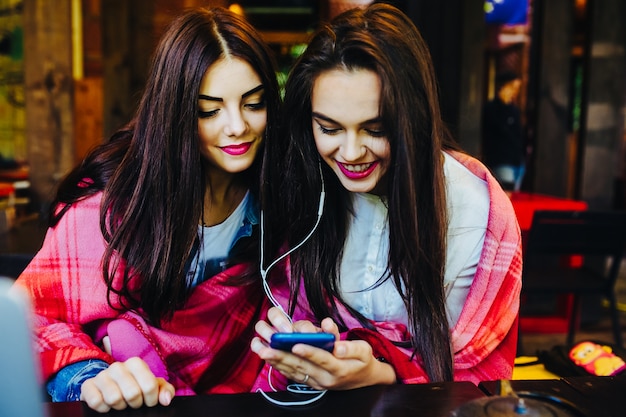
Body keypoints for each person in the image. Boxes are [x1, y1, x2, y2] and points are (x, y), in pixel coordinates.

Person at [12, 7, 280, 412]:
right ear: (175, 113)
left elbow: (302, 309)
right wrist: (90, 376)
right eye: (209, 110)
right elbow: (28, 324)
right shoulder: (109, 206)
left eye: (253, 104)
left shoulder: (281, 197)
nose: (237, 126)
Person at [252, 3, 522, 390]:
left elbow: (469, 373)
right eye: (329, 128)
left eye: (375, 130)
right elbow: (290, 302)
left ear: (412, 119)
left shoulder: (474, 212)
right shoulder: (307, 186)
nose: (350, 153)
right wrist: (297, 336)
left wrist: (380, 373)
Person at [482, 71, 526, 191]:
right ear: (502, 86)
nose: (515, 91)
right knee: (506, 194)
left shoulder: (514, 110)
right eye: (512, 87)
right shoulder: (491, 108)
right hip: (501, 161)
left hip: (517, 161)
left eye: (517, 88)